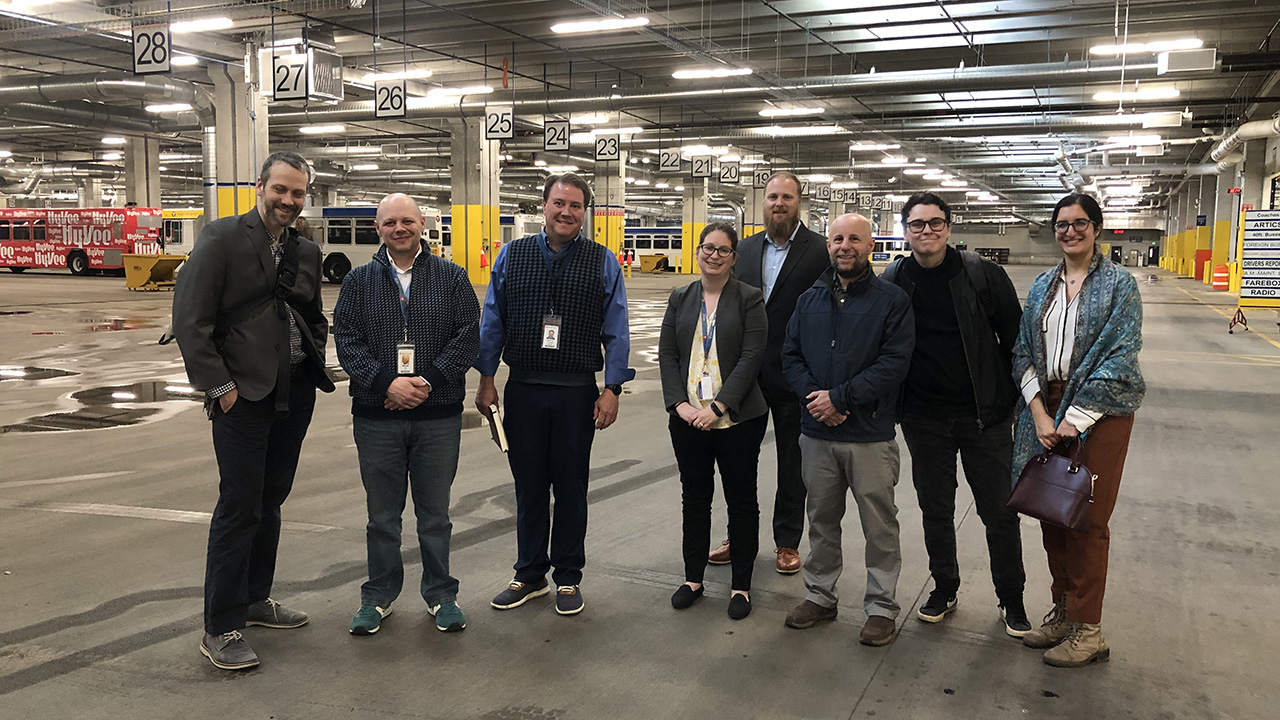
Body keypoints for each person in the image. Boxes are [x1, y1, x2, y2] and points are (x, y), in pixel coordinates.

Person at [172, 151, 336, 671]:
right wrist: (220, 386)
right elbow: (189, 320)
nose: (288, 200)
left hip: (294, 395)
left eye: (297, 193)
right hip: (241, 397)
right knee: (240, 505)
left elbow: (312, 315)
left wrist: (313, 356)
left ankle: (255, 599)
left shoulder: (305, 251)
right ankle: (221, 625)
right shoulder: (222, 238)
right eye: (280, 190)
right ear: (260, 186)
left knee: (271, 498)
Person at [475, 173, 635, 617]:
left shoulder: (603, 261)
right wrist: (487, 378)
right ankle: (529, 575)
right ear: (542, 206)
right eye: (559, 203)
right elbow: (493, 319)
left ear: (586, 211)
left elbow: (616, 329)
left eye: (576, 205)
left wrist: (612, 388)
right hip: (523, 387)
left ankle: (567, 577)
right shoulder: (512, 254)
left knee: (570, 487)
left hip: (575, 393)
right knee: (528, 488)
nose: (566, 212)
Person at [879, 192, 1030, 637]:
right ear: (905, 229)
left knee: (999, 511)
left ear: (949, 227)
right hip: (923, 418)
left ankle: (1012, 598)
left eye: (935, 223)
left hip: (984, 417)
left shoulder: (983, 275)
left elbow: (1016, 340)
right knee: (935, 509)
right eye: (917, 223)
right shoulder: (894, 279)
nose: (927, 231)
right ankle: (944, 587)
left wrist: (1014, 404)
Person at [333, 193, 481, 636]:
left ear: (423, 225)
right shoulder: (358, 282)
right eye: (390, 222)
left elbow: (468, 335)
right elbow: (347, 340)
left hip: (437, 416)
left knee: (435, 515)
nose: (400, 228)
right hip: (376, 417)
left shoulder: (452, 277)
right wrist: (386, 384)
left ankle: (441, 595)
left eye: (408, 221)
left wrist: (428, 381)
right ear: (378, 228)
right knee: (382, 517)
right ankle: (377, 597)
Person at [1011, 193, 1144, 668]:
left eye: (1080, 223)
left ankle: (1090, 631)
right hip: (1047, 411)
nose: (1070, 231)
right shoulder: (1043, 285)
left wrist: (1075, 418)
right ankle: (1065, 613)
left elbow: (1120, 357)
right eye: (1062, 224)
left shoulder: (1120, 285)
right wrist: (1042, 417)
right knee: (1052, 513)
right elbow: (1023, 351)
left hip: (1099, 416)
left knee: (1086, 519)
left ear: (1097, 229)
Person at [779, 213, 914, 647]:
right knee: (821, 520)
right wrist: (817, 400)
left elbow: (894, 364)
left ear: (870, 246)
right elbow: (791, 356)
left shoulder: (892, 301)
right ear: (828, 245)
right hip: (817, 435)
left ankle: (880, 607)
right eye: (837, 239)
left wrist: (841, 399)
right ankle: (820, 596)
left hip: (870, 436)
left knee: (879, 525)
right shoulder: (808, 299)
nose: (844, 246)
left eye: (854, 239)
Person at [718, 170, 830, 575]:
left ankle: (787, 542)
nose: (778, 203)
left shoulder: (820, 251)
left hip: (795, 374)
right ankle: (738, 534)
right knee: (738, 462)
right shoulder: (743, 250)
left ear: (799, 202)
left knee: (792, 463)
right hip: (745, 375)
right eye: (771, 197)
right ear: (761, 202)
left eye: (786, 197)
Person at [658, 222, 769, 620]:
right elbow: (668, 354)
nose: (714, 255)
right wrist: (679, 406)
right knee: (695, 498)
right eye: (708, 248)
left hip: (738, 419)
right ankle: (693, 579)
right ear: (698, 251)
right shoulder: (680, 297)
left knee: (741, 501)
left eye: (723, 250)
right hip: (688, 421)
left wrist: (718, 407)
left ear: (734, 257)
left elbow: (752, 357)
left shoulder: (749, 299)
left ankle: (741, 586)